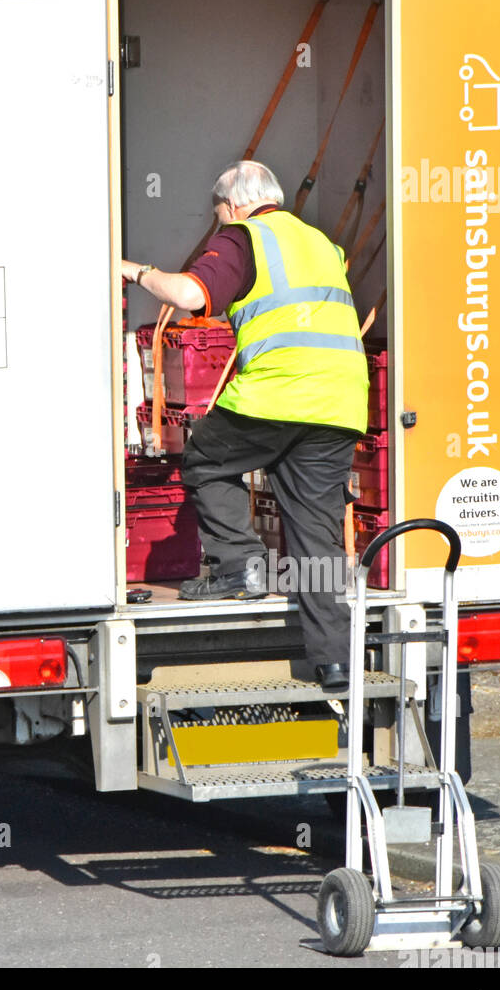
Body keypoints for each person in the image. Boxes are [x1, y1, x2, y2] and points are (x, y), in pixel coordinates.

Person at [122, 160, 367, 692]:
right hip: (341, 403)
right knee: (316, 538)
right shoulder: (320, 242)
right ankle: (335, 663)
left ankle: (240, 565)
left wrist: (135, 271)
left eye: (218, 216)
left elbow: (188, 295)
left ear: (234, 207)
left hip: (278, 394)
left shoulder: (243, 238)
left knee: (206, 459)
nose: (218, 225)